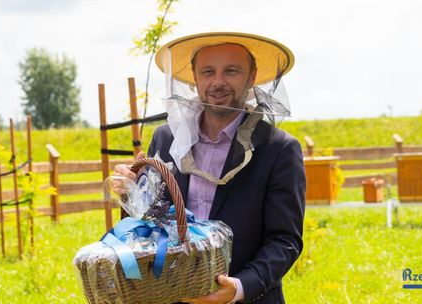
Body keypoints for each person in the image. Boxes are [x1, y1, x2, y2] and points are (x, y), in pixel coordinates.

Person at [114, 32, 306, 303]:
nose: (218, 82)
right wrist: (131, 193)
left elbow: (284, 241)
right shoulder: (167, 138)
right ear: (194, 78)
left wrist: (239, 287)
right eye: (208, 71)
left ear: (251, 78)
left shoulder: (279, 149)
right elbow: (151, 221)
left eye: (231, 71)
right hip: (175, 296)